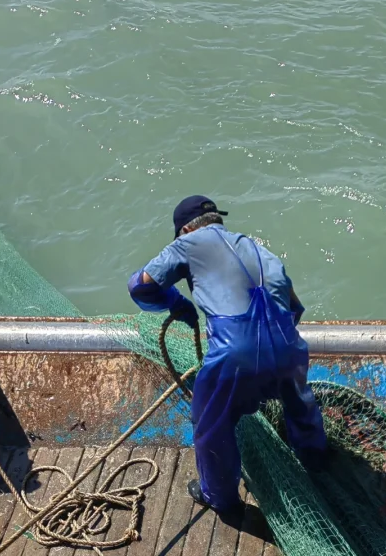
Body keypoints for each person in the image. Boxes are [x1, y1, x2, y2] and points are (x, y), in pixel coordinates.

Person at [128, 195, 326, 521]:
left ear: (186, 229)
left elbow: (140, 287)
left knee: (210, 422)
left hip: (235, 354)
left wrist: (176, 301)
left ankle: (220, 497)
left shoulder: (186, 242)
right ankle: (315, 454)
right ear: (217, 220)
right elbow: (295, 307)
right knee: (298, 398)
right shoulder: (258, 247)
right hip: (290, 347)